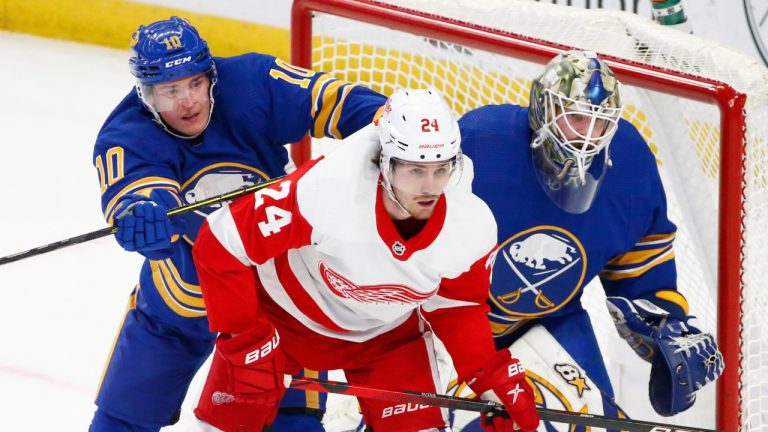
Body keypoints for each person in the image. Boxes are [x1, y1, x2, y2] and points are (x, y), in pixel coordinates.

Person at [91, 16, 388, 432]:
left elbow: (331, 100)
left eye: (195, 84)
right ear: (145, 94)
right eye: (169, 91)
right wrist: (145, 218)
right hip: (186, 291)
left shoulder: (251, 82)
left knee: (295, 424)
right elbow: (142, 191)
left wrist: (388, 122)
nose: (187, 101)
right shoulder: (127, 134)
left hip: (280, 291)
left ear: (212, 74)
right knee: (120, 422)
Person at [190, 88, 541, 432]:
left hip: (386, 339)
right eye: (414, 171)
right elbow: (221, 241)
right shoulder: (327, 188)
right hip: (284, 318)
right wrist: (246, 339)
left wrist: (488, 374)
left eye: (440, 169)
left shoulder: (470, 224)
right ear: (385, 164)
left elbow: (457, 305)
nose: (429, 187)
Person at [454, 50, 723, 430]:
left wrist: (665, 327)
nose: (587, 137)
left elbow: (641, 271)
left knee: (597, 426)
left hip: (552, 320)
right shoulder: (483, 141)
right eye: (577, 118)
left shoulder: (627, 163)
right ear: (543, 112)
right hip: (452, 322)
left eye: (600, 124)